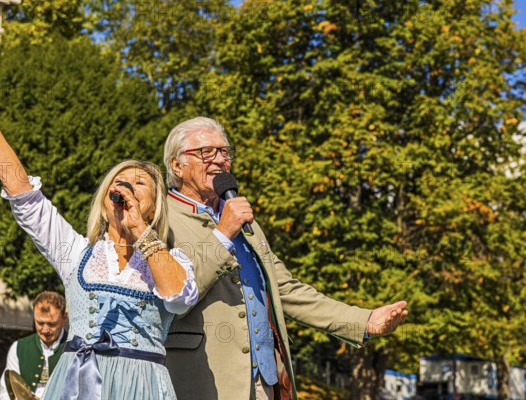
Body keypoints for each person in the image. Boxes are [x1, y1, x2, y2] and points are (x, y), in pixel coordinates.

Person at [0, 61, 198, 399]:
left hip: (142, 387)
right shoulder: (77, 253)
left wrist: (140, 231)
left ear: (155, 204)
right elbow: (26, 198)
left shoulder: (170, 258)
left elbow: (178, 300)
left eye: (139, 182)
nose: (127, 187)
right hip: (76, 384)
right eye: (118, 182)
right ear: (106, 198)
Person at [162, 117, 409, 400]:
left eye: (225, 151)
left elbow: (287, 291)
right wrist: (223, 233)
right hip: (202, 383)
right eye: (206, 152)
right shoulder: (161, 219)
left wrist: (363, 321)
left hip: (265, 383)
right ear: (177, 165)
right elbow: (175, 295)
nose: (220, 160)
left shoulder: (242, 219)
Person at [0, 291, 69, 400]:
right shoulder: (18, 348)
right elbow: (6, 393)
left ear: (64, 318)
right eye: (40, 323)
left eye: (51, 324)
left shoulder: (76, 349)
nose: (45, 330)